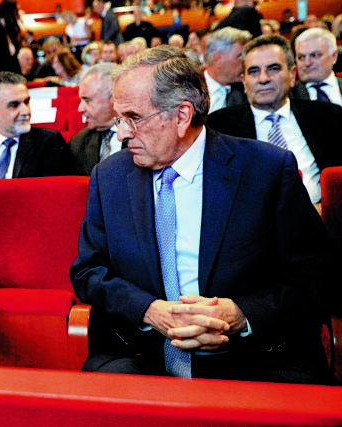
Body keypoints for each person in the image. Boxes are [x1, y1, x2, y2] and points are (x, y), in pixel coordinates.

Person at [70, 45, 334, 384]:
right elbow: (88, 272)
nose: (121, 133)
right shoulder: (110, 176)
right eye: (119, 119)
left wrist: (241, 315)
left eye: (133, 118)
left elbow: (316, 275)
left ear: (181, 116)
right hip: (140, 353)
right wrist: (149, 311)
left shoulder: (265, 169)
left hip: (256, 355)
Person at [207, 34, 342, 206]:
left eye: (273, 68)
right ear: (244, 81)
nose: (263, 79)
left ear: (292, 75)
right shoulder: (219, 127)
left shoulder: (328, 116)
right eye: (254, 71)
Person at [69, 62, 119, 176]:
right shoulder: (78, 143)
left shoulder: (139, 137)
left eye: (87, 100)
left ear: (114, 98)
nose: (80, 108)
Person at [203, 27, 252, 113]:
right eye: (240, 57)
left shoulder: (247, 91)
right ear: (218, 60)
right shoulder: (188, 89)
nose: (246, 63)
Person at [291, 28, 342, 108]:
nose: (307, 63)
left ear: (334, 56)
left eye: (314, 55)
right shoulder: (287, 95)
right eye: (301, 57)